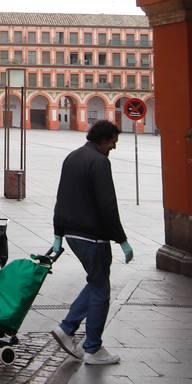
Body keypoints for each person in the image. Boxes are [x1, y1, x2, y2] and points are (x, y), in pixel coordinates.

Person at [48, 121, 134, 365]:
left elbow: (61, 196)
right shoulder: (99, 162)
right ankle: (93, 348)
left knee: (96, 282)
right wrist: (122, 239)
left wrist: (58, 232)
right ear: (103, 140)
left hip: (73, 235)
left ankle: (67, 328)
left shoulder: (72, 157)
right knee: (101, 291)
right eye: (113, 143)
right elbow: (108, 205)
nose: (114, 148)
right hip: (93, 236)